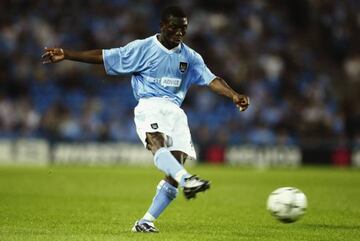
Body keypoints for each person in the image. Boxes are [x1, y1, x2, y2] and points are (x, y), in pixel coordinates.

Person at [42, 6, 250, 233]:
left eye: (184, 28)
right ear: (162, 26)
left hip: (175, 111)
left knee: (175, 167)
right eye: (174, 27)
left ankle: (146, 221)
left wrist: (234, 95)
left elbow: (212, 79)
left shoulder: (190, 57)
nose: (179, 33)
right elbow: (105, 55)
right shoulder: (143, 48)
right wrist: (68, 54)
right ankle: (188, 180)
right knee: (156, 142)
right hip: (150, 104)